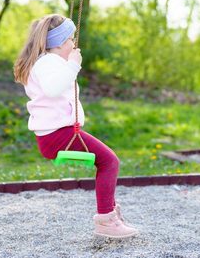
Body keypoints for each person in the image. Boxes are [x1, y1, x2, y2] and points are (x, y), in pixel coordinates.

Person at [13, 13, 139, 239]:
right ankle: (106, 220)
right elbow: (53, 89)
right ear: (60, 43)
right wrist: (73, 66)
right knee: (110, 161)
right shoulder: (48, 63)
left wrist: (68, 66)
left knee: (107, 161)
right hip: (58, 135)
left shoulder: (47, 63)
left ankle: (110, 216)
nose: (73, 44)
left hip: (56, 135)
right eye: (71, 39)